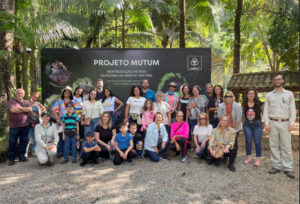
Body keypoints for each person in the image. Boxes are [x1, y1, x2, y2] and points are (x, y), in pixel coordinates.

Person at [263, 74, 296, 179]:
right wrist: (266, 123)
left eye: (279, 79)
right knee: (273, 146)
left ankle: (288, 168)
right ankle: (276, 166)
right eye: (275, 80)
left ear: (283, 81)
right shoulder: (269, 95)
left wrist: (292, 123)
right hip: (273, 122)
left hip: (285, 123)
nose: (277, 81)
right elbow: (266, 110)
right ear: (273, 81)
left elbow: (292, 109)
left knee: (286, 146)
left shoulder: (289, 94)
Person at [52, 86, 82, 157]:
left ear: (71, 93)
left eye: (69, 92)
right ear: (63, 92)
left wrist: (78, 116)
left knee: (71, 136)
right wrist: (57, 119)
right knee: (61, 136)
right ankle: (60, 151)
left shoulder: (74, 101)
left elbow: (80, 111)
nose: (67, 93)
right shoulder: (59, 100)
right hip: (62, 122)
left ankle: (71, 151)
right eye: (65, 91)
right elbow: (54, 111)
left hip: (71, 122)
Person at [217, 91, 242, 170]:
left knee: (233, 144)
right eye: (226, 96)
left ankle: (231, 162)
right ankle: (225, 156)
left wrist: (233, 131)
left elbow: (238, 120)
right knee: (223, 142)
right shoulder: (221, 106)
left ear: (233, 97)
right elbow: (220, 118)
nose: (228, 98)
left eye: (230, 96)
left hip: (234, 128)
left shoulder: (237, 106)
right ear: (224, 98)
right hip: (224, 128)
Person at [7, 89, 32, 166]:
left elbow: (30, 110)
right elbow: (12, 110)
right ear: (16, 94)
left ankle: (21, 156)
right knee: (12, 143)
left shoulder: (27, 102)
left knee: (24, 142)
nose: (20, 94)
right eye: (18, 93)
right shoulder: (11, 102)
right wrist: (24, 109)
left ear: (24, 95)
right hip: (14, 126)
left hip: (25, 126)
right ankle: (11, 159)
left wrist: (19, 108)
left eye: (21, 93)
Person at [242, 88, 264, 167]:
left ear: (255, 95)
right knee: (248, 141)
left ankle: (258, 158)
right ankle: (249, 157)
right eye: (249, 93)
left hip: (257, 124)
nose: (251, 95)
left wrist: (264, 122)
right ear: (247, 95)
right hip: (247, 124)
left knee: (257, 141)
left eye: (253, 93)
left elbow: (264, 113)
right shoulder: (244, 104)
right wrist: (242, 123)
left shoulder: (259, 103)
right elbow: (242, 114)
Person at [26, 92, 46, 157]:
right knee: (28, 138)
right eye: (34, 97)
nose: (35, 99)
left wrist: (41, 113)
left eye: (37, 98)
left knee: (36, 138)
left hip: (37, 123)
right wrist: (33, 112)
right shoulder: (27, 103)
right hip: (28, 123)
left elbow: (44, 110)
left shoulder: (39, 104)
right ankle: (25, 152)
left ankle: (34, 151)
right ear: (32, 95)